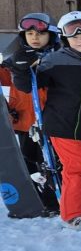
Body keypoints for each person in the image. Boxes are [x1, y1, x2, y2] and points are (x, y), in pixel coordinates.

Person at [10, 11, 81, 230]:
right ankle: (75, 213)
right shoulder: (53, 61)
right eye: (74, 37)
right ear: (65, 39)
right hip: (61, 127)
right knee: (76, 168)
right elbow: (28, 86)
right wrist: (20, 69)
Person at [0, 13, 62, 217]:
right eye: (30, 33)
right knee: (30, 163)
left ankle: (57, 200)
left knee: (53, 163)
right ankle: (39, 200)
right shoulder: (14, 61)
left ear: (51, 35)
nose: (35, 37)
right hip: (25, 123)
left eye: (40, 34)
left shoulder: (58, 59)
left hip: (52, 124)